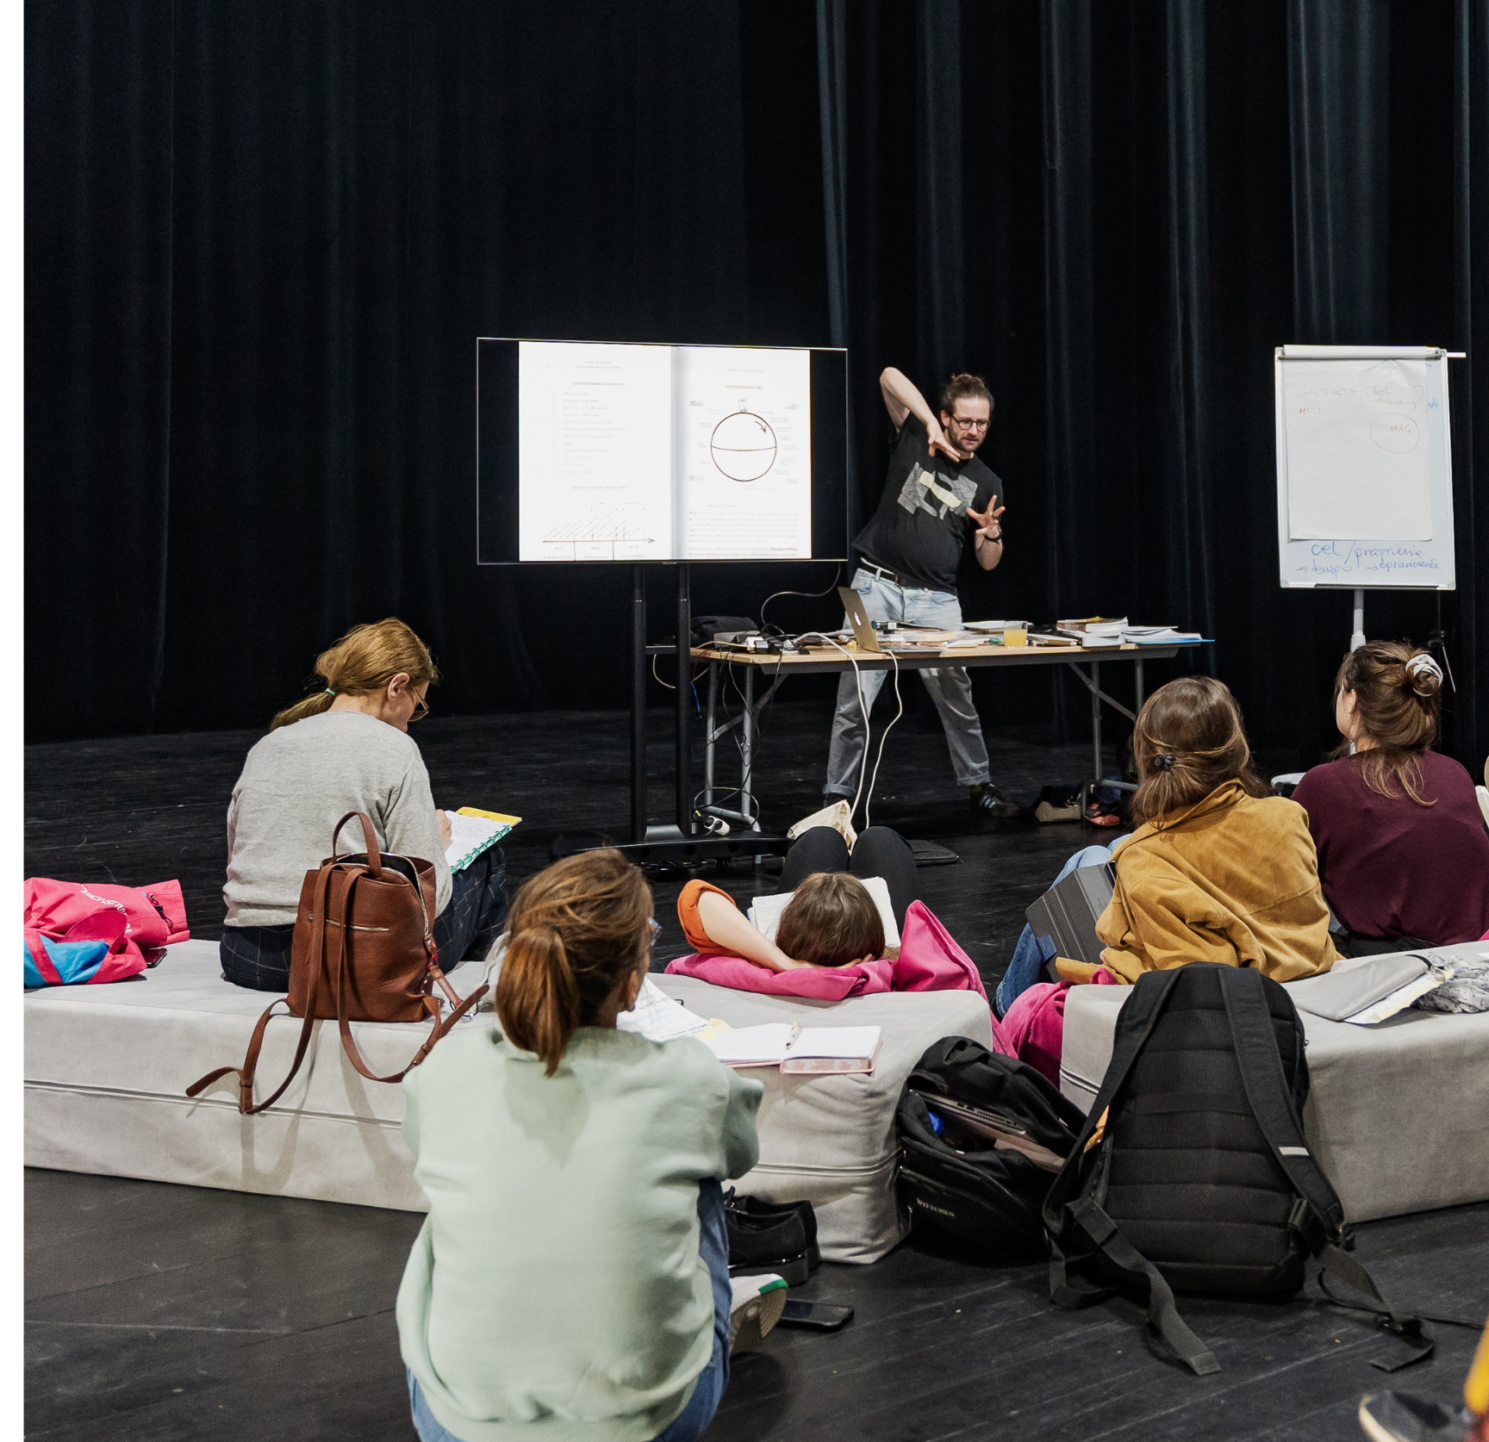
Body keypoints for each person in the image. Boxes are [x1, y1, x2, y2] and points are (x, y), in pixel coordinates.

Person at [398, 848, 766, 1442]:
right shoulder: (690, 1079)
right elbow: (741, 1151)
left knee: (458, 1199)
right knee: (702, 1180)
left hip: (458, 1426)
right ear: (630, 985)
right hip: (648, 1425)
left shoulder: (444, 1071)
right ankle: (678, 1325)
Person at [221, 619, 508, 991]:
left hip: (246, 956)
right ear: (397, 686)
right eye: (416, 706)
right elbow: (427, 899)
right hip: (344, 962)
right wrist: (438, 844)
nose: (409, 724)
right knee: (486, 859)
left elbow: (237, 853)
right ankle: (477, 993)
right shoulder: (394, 748)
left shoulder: (270, 744)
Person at [825, 367, 1022, 819]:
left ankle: (978, 785)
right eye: (965, 421)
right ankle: (837, 795)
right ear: (947, 417)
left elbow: (987, 562)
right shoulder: (915, 435)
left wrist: (990, 534)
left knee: (958, 695)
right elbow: (888, 376)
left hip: (937, 599)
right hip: (876, 585)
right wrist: (928, 426)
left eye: (982, 424)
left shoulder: (988, 481)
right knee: (854, 695)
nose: (974, 431)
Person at [1088, 676, 1338, 984]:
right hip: (1311, 982)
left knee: (1090, 858)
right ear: (1236, 746)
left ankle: (1007, 1003)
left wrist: (1123, 960)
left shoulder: (1141, 857)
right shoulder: (1287, 816)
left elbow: (1193, 976)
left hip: (1235, 1009)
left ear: (1144, 757)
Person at [1291, 641, 1489, 953]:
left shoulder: (1325, 784)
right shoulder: (1454, 773)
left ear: (1352, 700)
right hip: (1479, 956)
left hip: (1395, 970)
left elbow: (1282, 879)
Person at [673, 824, 920, 971]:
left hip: (796, 958)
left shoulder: (762, 970)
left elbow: (696, 896)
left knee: (819, 837)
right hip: (880, 958)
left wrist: (790, 965)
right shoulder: (902, 968)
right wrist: (888, 955)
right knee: (880, 839)